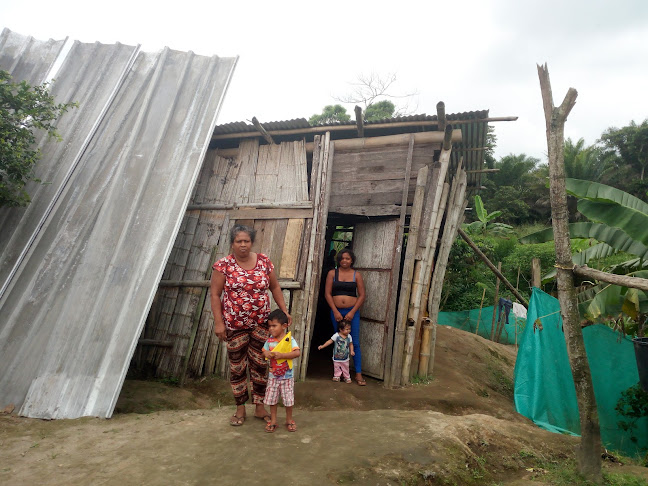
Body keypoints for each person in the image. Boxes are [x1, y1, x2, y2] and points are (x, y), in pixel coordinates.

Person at [210, 224, 292, 426]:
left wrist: (284, 311)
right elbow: (215, 294)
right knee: (237, 367)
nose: (243, 245)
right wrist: (219, 323)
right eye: (239, 241)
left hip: (262, 326)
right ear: (232, 243)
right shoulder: (224, 265)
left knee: (261, 365)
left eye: (246, 241)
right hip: (234, 326)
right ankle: (240, 408)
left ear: (252, 242)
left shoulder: (264, 262)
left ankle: (259, 406)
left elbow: (274, 287)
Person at [324, 248, 367, 386]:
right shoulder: (332, 273)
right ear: (339, 260)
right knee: (338, 341)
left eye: (347, 258)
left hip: (351, 312)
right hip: (336, 312)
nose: (344, 261)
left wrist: (352, 312)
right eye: (342, 258)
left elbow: (362, 295)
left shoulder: (356, 275)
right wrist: (335, 311)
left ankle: (358, 374)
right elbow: (327, 294)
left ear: (352, 260)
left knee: (354, 342)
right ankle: (339, 372)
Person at [262, 309, 300, 433]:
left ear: (284, 326)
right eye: (269, 326)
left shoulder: (289, 340)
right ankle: (273, 420)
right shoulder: (269, 341)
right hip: (273, 376)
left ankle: (289, 420)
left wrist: (282, 355)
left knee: (288, 400)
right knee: (272, 399)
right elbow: (264, 352)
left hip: (287, 376)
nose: (271, 329)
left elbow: (297, 352)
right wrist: (266, 353)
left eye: (274, 326)